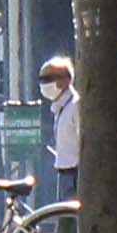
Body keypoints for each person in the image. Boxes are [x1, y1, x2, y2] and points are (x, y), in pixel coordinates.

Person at [39, 56, 81, 205]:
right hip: (65, 174)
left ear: (66, 80)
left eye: (49, 78)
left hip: (75, 175)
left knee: (70, 223)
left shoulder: (75, 106)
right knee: (66, 223)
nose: (44, 83)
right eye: (42, 79)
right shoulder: (61, 107)